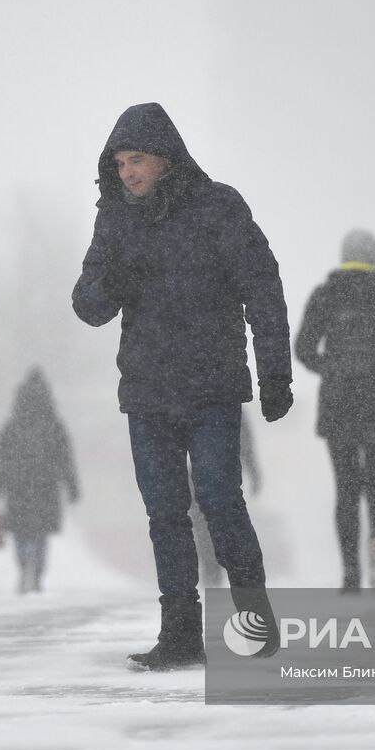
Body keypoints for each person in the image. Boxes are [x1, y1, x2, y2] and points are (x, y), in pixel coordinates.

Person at [72, 102, 292, 671]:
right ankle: (180, 634)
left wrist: (275, 372)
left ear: (166, 159)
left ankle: (253, 627)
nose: (127, 172)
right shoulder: (115, 219)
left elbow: (261, 289)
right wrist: (118, 277)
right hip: (147, 392)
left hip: (211, 387)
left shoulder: (219, 208)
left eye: (136, 159)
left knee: (220, 500)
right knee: (164, 511)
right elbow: (87, 304)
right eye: (119, 163)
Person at [294, 229, 375, 591]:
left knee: (346, 490)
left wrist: (331, 369)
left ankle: (351, 572)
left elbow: (303, 347)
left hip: (340, 403)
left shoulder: (326, 294)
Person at [0, 368, 80, 594]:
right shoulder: (54, 425)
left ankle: (23, 566)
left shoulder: (12, 426)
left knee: (21, 530)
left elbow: (1, 458)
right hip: (45, 485)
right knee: (40, 534)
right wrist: (72, 487)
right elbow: (65, 458)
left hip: (18, 485)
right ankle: (38, 573)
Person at [190, 413, 260, 589]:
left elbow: (244, 438)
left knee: (207, 525)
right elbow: (244, 438)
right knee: (220, 522)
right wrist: (252, 468)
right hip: (218, 470)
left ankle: (215, 571)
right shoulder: (225, 400)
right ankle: (230, 573)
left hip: (205, 471)